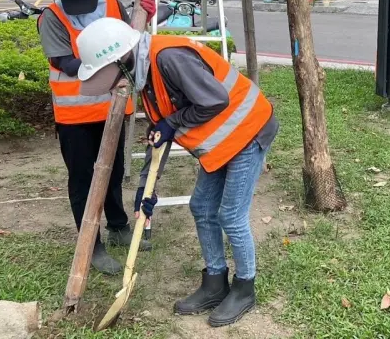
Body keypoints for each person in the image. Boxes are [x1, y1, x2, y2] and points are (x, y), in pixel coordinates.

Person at [75, 17, 278, 327]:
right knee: (201, 207)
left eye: (108, 75)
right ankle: (215, 281)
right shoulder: (144, 76)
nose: (112, 84)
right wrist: (146, 191)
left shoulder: (168, 58)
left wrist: (173, 122)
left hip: (249, 132)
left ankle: (244, 288)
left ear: (121, 59)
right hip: (224, 142)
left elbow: (214, 100)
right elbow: (160, 136)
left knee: (231, 216)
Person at [37, 0, 156, 275]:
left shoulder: (112, 3)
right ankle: (92, 243)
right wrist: (107, 68)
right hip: (74, 117)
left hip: (113, 108)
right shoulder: (52, 16)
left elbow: (131, 41)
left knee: (115, 172)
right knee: (83, 180)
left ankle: (118, 225)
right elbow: (64, 62)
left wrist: (146, 16)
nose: (79, 2)